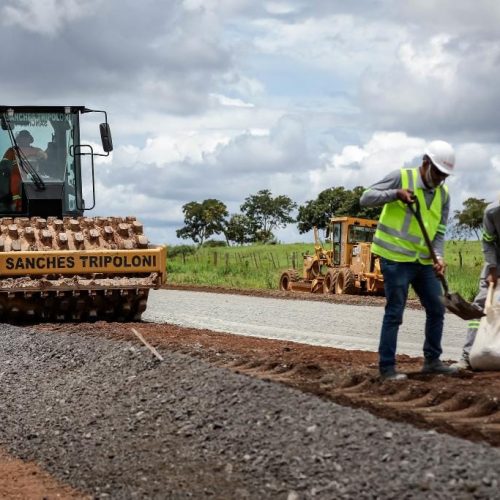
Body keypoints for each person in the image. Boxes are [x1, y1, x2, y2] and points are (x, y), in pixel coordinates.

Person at [360, 140, 459, 380]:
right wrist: (395, 194)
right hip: (395, 259)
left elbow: (439, 231)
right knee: (395, 311)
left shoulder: (443, 194)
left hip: (423, 262)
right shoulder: (401, 177)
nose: (439, 179)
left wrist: (438, 255)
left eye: (444, 175)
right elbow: (365, 198)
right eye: (437, 172)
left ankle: (433, 361)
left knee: (437, 308)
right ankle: (387, 368)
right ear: (425, 163)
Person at [452, 201, 500, 370]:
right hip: (495, 262)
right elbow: (488, 242)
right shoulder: (493, 212)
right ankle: (466, 357)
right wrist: (493, 267)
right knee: (479, 307)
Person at [3, 129, 47, 211]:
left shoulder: (36, 150)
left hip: (34, 178)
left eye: (26, 137)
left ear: (30, 139)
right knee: (15, 189)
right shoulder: (11, 151)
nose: (24, 139)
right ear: (18, 139)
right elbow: (4, 163)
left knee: (43, 189)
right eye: (22, 137)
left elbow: (44, 157)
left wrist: (42, 155)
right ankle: (16, 208)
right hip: (16, 176)